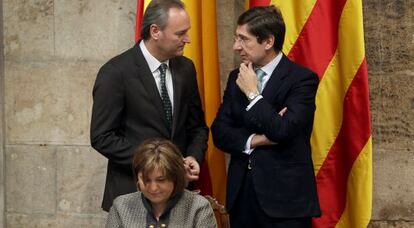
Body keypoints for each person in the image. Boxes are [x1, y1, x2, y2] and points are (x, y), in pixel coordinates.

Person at [90, 0, 208, 212]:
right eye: (180, 33)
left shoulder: (186, 68)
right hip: (132, 196)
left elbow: (197, 126)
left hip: (179, 196)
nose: (188, 39)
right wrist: (158, 163)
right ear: (155, 31)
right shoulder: (115, 72)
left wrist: (193, 157)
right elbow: (102, 137)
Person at [211, 5, 321, 228]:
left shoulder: (301, 79)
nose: (236, 46)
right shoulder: (236, 77)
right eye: (235, 38)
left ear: (268, 42)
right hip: (242, 199)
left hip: (285, 204)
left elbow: (283, 130)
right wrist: (258, 139)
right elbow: (220, 132)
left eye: (244, 39)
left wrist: (253, 94)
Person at [106, 139, 217, 228]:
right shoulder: (121, 207)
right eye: (146, 180)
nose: (153, 188)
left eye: (161, 180)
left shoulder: (198, 207)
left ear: (175, 177)